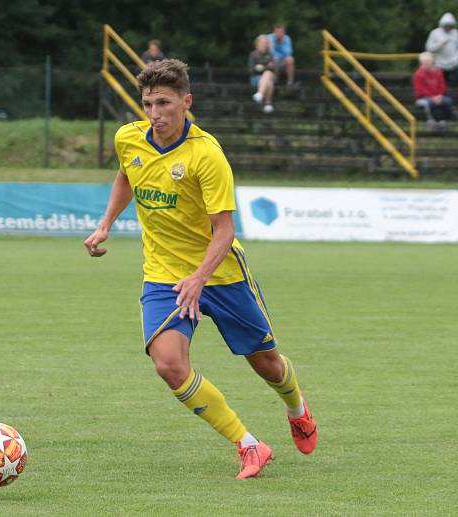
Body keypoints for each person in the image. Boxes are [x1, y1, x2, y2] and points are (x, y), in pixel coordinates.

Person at [83, 59, 317, 479]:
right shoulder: (129, 139)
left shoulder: (207, 155)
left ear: (186, 101)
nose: (155, 114)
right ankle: (249, 445)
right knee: (169, 364)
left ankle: (297, 409)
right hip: (164, 273)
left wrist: (199, 278)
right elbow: (125, 176)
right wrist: (106, 224)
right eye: (148, 104)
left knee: (267, 365)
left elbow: (225, 230)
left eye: (164, 103)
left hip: (221, 274)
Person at [413, 51, 454, 131]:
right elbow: (420, 90)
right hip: (423, 98)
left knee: (448, 101)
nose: (428, 64)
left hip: (438, 96)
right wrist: (432, 97)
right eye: (426, 62)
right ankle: (432, 122)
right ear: (421, 63)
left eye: (429, 62)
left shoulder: (438, 72)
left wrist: (439, 96)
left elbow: (442, 87)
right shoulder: (418, 74)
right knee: (429, 103)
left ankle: (443, 121)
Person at [425, 13, 458, 85]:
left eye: (450, 26)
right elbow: (429, 48)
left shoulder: (456, 33)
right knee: (440, 84)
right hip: (439, 64)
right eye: (446, 26)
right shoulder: (435, 33)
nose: (448, 28)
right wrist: (440, 44)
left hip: (454, 64)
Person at [249, 34, 277, 114]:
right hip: (256, 79)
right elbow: (250, 70)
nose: (264, 45)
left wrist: (262, 68)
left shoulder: (270, 55)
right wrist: (257, 68)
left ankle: (260, 93)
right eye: (262, 43)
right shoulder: (253, 54)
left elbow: (272, 69)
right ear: (257, 44)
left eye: (265, 43)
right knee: (269, 81)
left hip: (268, 76)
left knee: (268, 74)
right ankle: (268, 104)